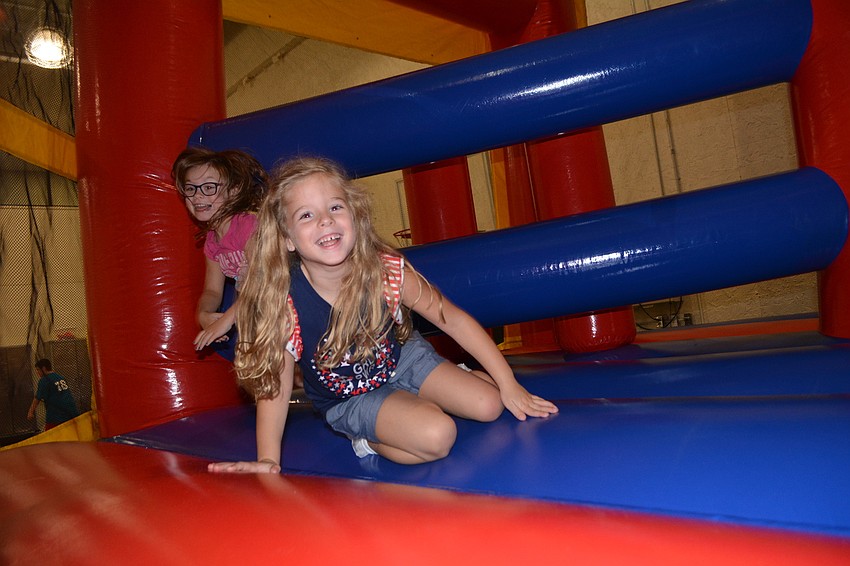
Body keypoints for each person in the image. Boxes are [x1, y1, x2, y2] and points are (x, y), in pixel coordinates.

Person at [209, 157, 558, 474]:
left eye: (334, 206)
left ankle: (443, 386)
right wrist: (268, 458)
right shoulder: (287, 302)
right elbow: (276, 384)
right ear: (287, 239)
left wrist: (510, 384)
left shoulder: (386, 272)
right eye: (306, 215)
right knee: (437, 435)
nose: (326, 220)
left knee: (490, 404)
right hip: (347, 395)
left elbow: (453, 320)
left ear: (355, 216)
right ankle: (367, 439)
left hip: (400, 358)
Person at [171, 147, 268, 354]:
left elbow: (260, 280)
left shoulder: (247, 226)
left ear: (232, 191)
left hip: (286, 302)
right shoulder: (213, 240)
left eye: (209, 187)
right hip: (256, 314)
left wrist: (226, 320)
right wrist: (203, 314)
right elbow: (212, 290)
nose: (198, 196)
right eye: (191, 188)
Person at [28, 359, 80, 430]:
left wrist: (31, 412)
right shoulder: (61, 378)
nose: (37, 372)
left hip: (56, 416)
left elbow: (37, 398)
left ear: (44, 368)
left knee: (51, 437)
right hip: (71, 414)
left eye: (38, 370)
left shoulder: (44, 380)